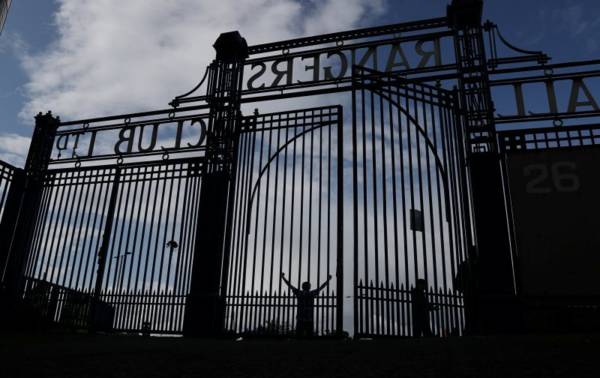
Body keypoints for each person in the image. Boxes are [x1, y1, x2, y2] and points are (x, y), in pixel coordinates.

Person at [281, 272, 332, 337]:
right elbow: (321, 287)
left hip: (300, 317)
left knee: (298, 336)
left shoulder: (299, 293)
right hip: (309, 317)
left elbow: (290, 285)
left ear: (302, 287)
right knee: (309, 336)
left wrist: (283, 278)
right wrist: (328, 280)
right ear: (309, 287)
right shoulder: (312, 293)